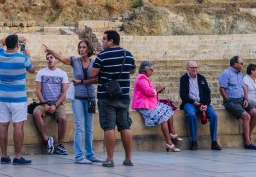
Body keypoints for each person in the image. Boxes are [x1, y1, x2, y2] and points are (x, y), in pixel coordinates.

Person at [45, 40, 101, 164]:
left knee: (89, 128)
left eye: (84, 47)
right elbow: (61, 58)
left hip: (91, 97)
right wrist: (51, 51)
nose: (81, 49)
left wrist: (82, 82)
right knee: (79, 127)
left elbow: (97, 80)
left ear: (89, 49)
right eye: (80, 47)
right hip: (78, 98)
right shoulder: (75, 61)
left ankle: (90, 154)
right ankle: (79, 156)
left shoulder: (95, 63)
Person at [89, 29, 136, 168]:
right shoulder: (128, 54)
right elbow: (132, 70)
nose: (102, 41)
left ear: (111, 41)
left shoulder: (102, 56)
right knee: (125, 126)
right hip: (124, 95)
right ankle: (128, 158)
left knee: (109, 127)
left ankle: (109, 159)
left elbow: (92, 73)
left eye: (104, 39)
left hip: (106, 96)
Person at [0, 34, 35, 165]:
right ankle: (17, 156)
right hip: (18, 98)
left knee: (3, 125)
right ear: (18, 45)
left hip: (2, 97)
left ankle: (4, 156)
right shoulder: (23, 58)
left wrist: (12, 39)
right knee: (18, 125)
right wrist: (28, 55)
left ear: (7, 44)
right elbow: (32, 70)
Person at [131, 61, 182, 152]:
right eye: (151, 70)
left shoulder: (145, 78)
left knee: (168, 109)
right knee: (163, 118)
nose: (152, 72)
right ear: (146, 69)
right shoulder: (141, 78)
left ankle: (172, 133)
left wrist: (157, 90)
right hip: (144, 106)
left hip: (149, 104)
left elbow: (150, 91)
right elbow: (148, 91)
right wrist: (156, 90)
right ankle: (169, 143)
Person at [218, 55, 256, 150]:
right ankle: (247, 142)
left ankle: (248, 135)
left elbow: (244, 87)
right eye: (241, 63)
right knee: (247, 116)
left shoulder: (240, 74)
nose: (242, 65)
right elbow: (221, 89)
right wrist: (227, 100)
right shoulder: (226, 73)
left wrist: (245, 98)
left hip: (241, 99)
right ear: (235, 64)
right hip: (231, 101)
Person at [33, 52, 69, 155]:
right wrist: (45, 104)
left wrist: (55, 105)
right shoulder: (41, 73)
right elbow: (38, 91)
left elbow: (63, 93)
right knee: (36, 113)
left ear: (56, 60)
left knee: (63, 119)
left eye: (51, 57)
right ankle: (47, 139)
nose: (49, 59)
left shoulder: (63, 74)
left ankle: (60, 145)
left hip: (58, 104)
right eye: (47, 58)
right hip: (44, 103)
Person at [179, 60, 221, 151]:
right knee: (191, 115)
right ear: (187, 69)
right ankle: (194, 141)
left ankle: (214, 141)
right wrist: (195, 103)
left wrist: (205, 104)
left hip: (203, 103)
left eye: (196, 67)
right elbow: (183, 95)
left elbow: (207, 92)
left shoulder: (201, 78)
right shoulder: (183, 79)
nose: (194, 69)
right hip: (190, 103)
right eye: (192, 67)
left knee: (214, 116)